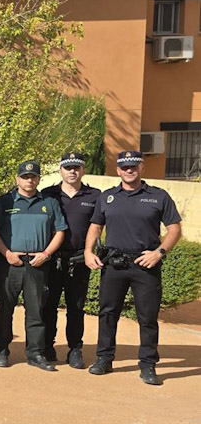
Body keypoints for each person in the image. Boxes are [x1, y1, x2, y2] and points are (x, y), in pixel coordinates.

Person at [85, 151, 182, 386]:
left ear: (142, 168)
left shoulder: (158, 196)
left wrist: (159, 253)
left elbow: (175, 229)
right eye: (125, 167)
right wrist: (89, 251)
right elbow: (95, 227)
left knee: (147, 318)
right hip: (114, 264)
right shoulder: (107, 197)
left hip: (145, 265)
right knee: (108, 314)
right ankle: (104, 359)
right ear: (118, 170)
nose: (129, 170)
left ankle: (148, 365)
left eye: (134, 166)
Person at [0, 161, 67, 372]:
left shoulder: (49, 203)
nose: (29, 180)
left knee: (36, 311)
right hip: (10, 263)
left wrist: (46, 254)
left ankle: (35, 353)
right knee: (5, 309)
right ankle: (2, 351)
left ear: (39, 179)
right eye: (25, 176)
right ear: (17, 179)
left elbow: (60, 231)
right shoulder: (4, 202)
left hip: (38, 263)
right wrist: (6, 253)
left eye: (33, 176)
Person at [41, 152, 100, 369]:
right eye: (68, 168)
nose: (72, 171)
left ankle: (75, 349)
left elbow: (100, 225)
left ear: (83, 170)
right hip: (52, 259)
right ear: (61, 170)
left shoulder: (94, 195)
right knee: (49, 305)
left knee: (76, 307)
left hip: (79, 259)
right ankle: (48, 346)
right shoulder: (48, 194)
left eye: (76, 167)